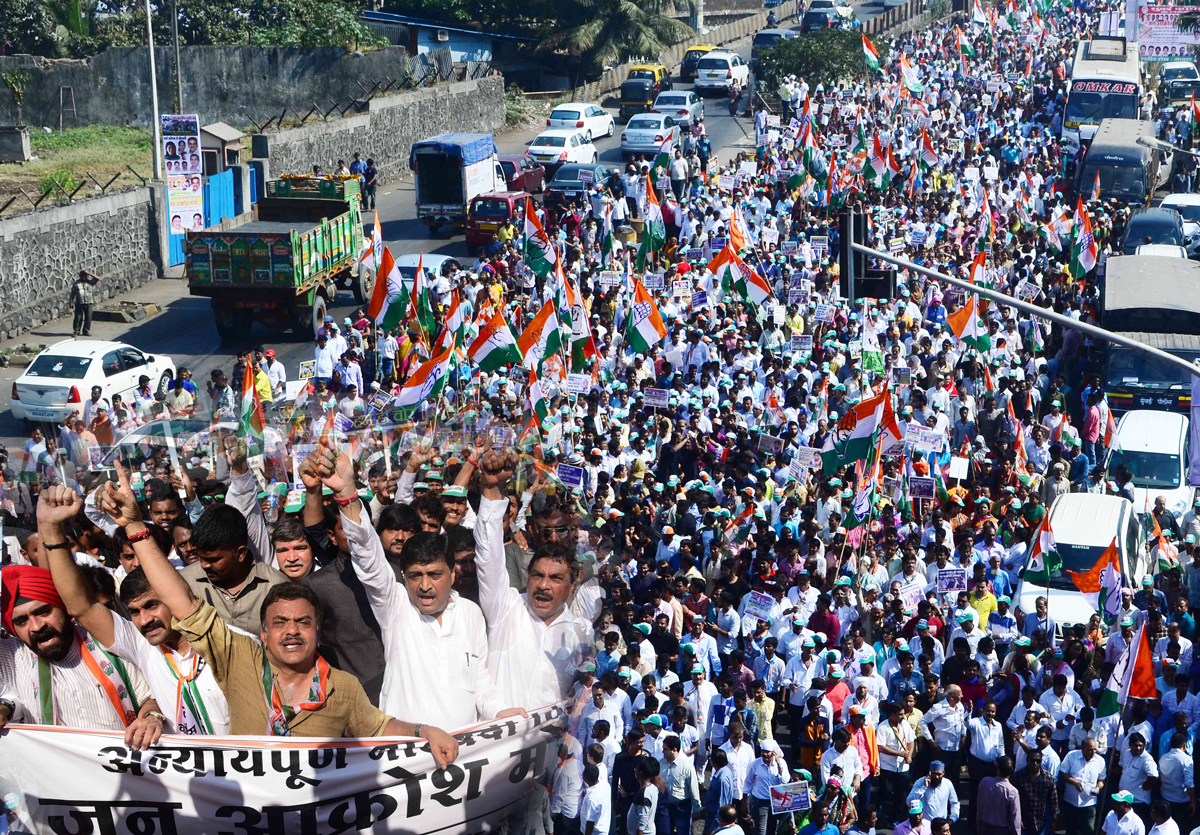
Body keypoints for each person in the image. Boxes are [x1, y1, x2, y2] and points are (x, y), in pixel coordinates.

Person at [98, 462, 458, 758]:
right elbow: (181, 601)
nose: (291, 631)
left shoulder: (342, 687)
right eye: (280, 622)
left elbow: (378, 727)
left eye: (303, 622)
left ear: (318, 632)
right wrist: (134, 527)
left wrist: (424, 730)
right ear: (263, 633)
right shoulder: (238, 660)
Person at [976, 756, 1021, 835]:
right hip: (1002, 830)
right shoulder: (1012, 791)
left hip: (985, 826)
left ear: (997, 768)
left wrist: (978, 823)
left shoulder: (985, 782)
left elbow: (980, 805)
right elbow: (1015, 817)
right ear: (1012, 770)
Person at [70, 269, 100, 336]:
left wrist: (89, 273)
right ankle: (76, 330)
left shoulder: (90, 282)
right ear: (80, 276)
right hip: (79, 303)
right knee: (78, 317)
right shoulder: (76, 284)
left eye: (85, 276)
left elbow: (97, 278)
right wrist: (71, 302)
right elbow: (72, 293)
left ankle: (86, 331)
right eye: (82, 276)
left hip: (89, 302)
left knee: (88, 317)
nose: (84, 277)